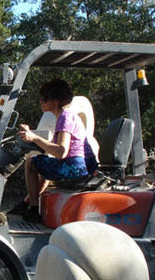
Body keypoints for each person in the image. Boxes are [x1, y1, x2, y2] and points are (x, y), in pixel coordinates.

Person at [11, 78, 97, 223]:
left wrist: (34, 138)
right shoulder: (64, 117)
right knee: (45, 163)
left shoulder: (65, 117)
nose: (41, 102)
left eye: (44, 99)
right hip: (78, 166)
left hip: (76, 168)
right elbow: (51, 148)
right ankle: (27, 203)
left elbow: (61, 151)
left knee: (30, 162)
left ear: (55, 102)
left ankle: (32, 208)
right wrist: (31, 134)